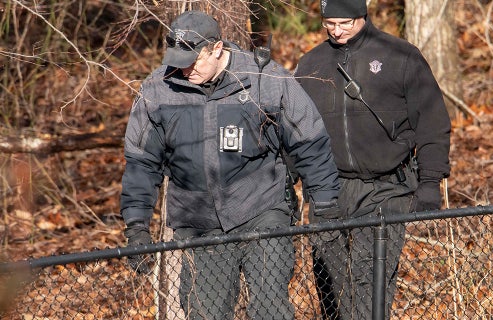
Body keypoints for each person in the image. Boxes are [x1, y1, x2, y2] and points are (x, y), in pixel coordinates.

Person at [120, 10, 341, 320]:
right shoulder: (158, 89)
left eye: (193, 61)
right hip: (199, 222)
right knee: (206, 312)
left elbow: (310, 141)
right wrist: (136, 226)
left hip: (262, 207)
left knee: (270, 309)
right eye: (178, 61)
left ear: (218, 49)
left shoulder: (265, 78)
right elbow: (141, 163)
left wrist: (326, 203)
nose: (184, 70)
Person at [295, 0, 451, 319]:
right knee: (331, 283)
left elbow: (433, 122)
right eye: (329, 24)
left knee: (369, 282)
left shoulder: (401, 55)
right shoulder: (311, 64)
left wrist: (430, 182)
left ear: (362, 16)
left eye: (345, 23)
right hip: (329, 187)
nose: (337, 31)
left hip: (387, 188)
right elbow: (296, 131)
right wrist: (289, 181)